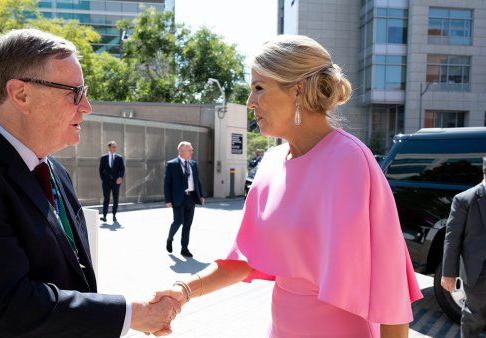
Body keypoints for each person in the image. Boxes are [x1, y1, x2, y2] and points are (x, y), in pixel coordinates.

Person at [0, 29, 179, 338]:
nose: (86, 105)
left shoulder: (53, 169)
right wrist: (131, 314)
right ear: (21, 94)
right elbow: (10, 307)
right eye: (74, 92)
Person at [152, 35, 422, 338]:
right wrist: (183, 290)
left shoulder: (351, 160)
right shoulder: (270, 163)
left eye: (258, 88)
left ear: (297, 89)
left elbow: (390, 290)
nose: (250, 102)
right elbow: (244, 260)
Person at [441, 155, 486, 338]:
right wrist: (448, 273)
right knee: (474, 318)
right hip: (478, 272)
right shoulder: (465, 200)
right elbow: (452, 239)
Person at [164, 141, 204, 258]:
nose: (192, 151)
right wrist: (168, 200)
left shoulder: (193, 164)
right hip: (177, 198)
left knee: (187, 224)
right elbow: (167, 184)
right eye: (189, 149)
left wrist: (200, 195)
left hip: (191, 197)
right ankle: (170, 238)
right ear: (181, 151)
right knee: (178, 222)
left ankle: (184, 248)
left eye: (191, 149)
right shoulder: (171, 164)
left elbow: (197, 181)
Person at [99, 140, 124, 223]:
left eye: (115, 147)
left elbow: (122, 169)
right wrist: (103, 179)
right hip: (106, 182)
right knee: (106, 198)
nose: (115, 148)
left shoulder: (119, 158)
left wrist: (120, 177)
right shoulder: (104, 158)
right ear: (109, 147)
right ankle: (104, 216)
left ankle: (114, 215)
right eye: (113, 146)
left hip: (116, 182)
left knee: (115, 198)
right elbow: (101, 170)